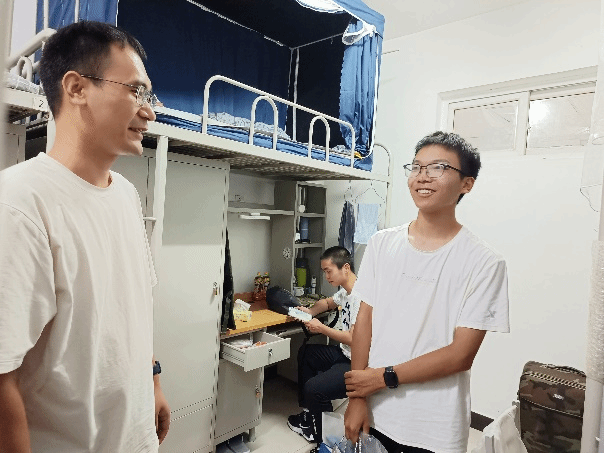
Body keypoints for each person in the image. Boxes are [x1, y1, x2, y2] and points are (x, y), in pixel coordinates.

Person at [0, 21, 170, 452]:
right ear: (76, 88)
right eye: (136, 91)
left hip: (134, 438)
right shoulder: (19, 204)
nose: (149, 111)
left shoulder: (126, 195)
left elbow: (134, 310)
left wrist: (153, 383)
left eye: (148, 96)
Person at [344, 131, 510, 453]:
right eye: (417, 166)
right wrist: (358, 396)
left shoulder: (485, 262)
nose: (422, 176)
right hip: (375, 411)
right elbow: (364, 321)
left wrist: (381, 378)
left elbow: (460, 354)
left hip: (435, 426)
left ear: (467, 184)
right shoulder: (382, 244)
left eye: (438, 167)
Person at [287, 246, 360, 445]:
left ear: (345, 268)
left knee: (314, 388)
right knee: (307, 353)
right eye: (324, 272)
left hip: (357, 362)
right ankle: (310, 413)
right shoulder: (346, 291)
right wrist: (309, 312)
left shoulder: (360, 297)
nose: (326, 276)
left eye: (329, 271)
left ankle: (320, 432)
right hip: (344, 353)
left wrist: (321, 328)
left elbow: (353, 339)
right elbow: (327, 303)